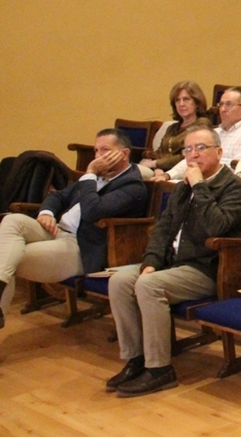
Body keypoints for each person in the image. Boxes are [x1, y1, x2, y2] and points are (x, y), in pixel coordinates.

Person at [106, 126, 241, 396]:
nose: (193, 155)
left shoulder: (234, 187)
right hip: (173, 263)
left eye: (200, 148)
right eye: (188, 149)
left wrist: (199, 185)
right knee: (120, 282)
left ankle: (160, 369)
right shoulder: (183, 188)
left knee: (149, 287)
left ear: (219, 152)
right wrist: (150, 262)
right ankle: (135, 359)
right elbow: (163, 228)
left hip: (207, 269)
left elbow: (215, 227)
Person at [0, 129, 147, 329]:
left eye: (105, 150)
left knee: (8, 258)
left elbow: (91, 212)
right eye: (96, 151)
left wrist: (90, 174)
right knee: (12, 220)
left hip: (80, 246)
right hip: (56, 231)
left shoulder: (132, 187)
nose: (98, 156)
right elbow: (58, 196)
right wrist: (47, 213)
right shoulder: (96, 177)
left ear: (124, 154)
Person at [156, 88, 241, 183]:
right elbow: (191, 158)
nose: (223, 109)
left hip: (228, 184)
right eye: (221, 104)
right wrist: (168, 175)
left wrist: (204, 164)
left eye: (229, 104)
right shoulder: (214, 132)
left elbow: (240, 163)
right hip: (201, 178)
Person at [140, 81, 213, 175]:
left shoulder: (202, 125)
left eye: (186, 99)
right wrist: (158, 169)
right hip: (160, 170)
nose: (181, 104)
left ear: (197, 103)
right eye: (177, 100)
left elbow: (187, 156)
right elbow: (158, 152)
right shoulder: (171, 127)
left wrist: (155, 164)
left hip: (182, 173)